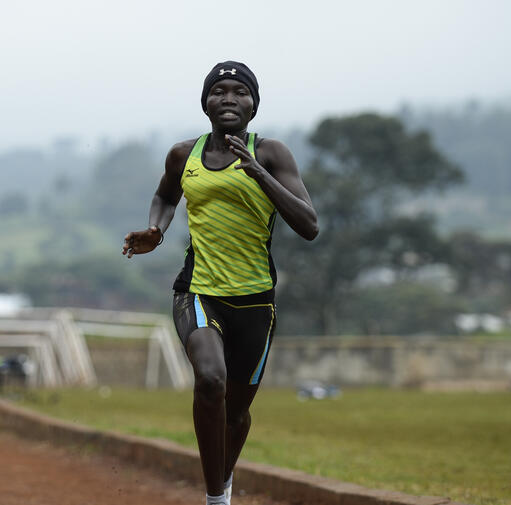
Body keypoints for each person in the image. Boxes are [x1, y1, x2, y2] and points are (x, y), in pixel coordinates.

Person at [122, 61, 318, 505]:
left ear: (254, 104)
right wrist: (156, 229)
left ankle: (221, 484)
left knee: (237, 414)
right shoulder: (182, 155)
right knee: (210, 380)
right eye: (219, 91)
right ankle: (217, 500)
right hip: (198, 290)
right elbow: (165, 196)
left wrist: (260, 174)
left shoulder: (271, 154)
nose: (229, 98)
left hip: (254, 301)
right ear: (205, 102)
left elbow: (309, 225)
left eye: (240, 91)